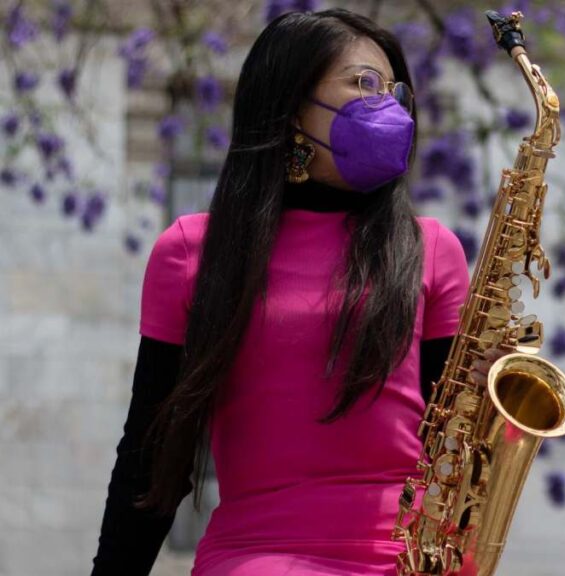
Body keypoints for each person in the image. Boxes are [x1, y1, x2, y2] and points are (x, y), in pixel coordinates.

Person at [91, 8, 508, 575]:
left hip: (410, 560)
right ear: (290, 105)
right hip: (258, 557)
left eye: (394, 91)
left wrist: (488, 397)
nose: (386, 105)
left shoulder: (432, 248)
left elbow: (454, 453)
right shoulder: (193, 250)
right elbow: (147, 459)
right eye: (364, 84)